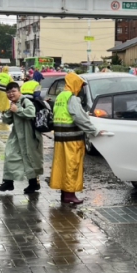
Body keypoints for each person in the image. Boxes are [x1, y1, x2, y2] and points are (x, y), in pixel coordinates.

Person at [49, 72, 102, 205]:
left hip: (60, 139)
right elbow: (79, 117)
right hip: (72, 140)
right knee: (72, 167)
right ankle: (69, 195)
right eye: (80, 85)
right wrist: (94, 131)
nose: (81, 88)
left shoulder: (61, 96)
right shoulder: (72, 98)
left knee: (62, 166)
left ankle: (64, 193)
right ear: (75, 84)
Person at [0, 82, 43, 194]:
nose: (11, 94)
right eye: (8, 92)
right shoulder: (14, 103)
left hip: (29, 136)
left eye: (13, 91)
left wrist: (18, 110)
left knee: (30, 159)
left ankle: (33, 184)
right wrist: (9, 111)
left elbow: (31, 113)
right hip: (17, 137)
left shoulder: (25, 101)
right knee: (10, 156)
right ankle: (8, 182)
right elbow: (7, 121)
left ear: (19, 91)